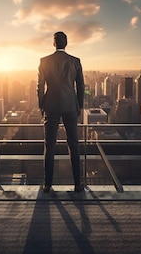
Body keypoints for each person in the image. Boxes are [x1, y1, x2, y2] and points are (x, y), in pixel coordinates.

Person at [37, 31, 85, 193]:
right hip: (70, 106)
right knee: (74, 145)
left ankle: (47, 185)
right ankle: (78, 184)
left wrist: (42, 105)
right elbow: (81, 87)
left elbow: (40, 86)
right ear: (66, 43)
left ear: (53, 44)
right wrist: (79, 106)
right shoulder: (75, 61)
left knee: (49, 146)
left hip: (51, 106)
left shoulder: (44, 61)